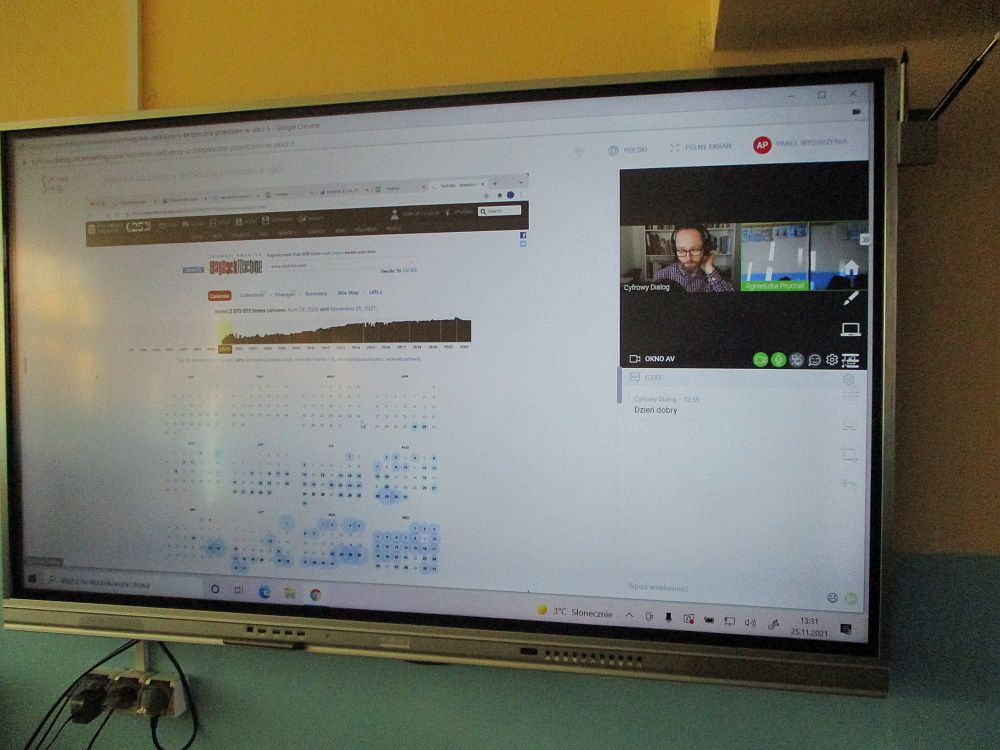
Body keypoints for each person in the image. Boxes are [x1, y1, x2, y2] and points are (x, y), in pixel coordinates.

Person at [652, 224, 734, 292]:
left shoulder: (716, 275)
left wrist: (709, 270)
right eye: (681, 250)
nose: (688, 258)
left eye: (695, 250)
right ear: (675, 250)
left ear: (705, 249)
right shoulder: (661, 276)